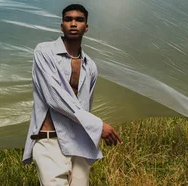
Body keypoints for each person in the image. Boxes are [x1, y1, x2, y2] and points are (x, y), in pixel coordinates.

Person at [22, 4, 123, 186]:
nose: (73, 24)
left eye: (79, 20)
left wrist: (91, 129)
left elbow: (85, 105)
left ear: (86, 27)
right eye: (68, 20)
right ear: (62, 25)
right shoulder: (44, 52)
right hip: (49, 141)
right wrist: (97, 126)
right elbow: (55, 98)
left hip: (78, 143)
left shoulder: (90, 66)